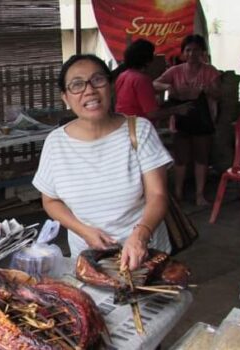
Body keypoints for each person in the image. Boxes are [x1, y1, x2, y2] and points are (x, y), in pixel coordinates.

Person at [32, 54, 173, 271]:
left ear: (111, 86)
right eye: (77, 85)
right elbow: (50, 201)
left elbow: (158, 194)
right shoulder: (56, 143)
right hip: (90, 260)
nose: (89, 90)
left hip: (145, 255)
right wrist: (83, 231)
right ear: (66, 98)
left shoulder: (140, 130)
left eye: (97, 80)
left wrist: (141, 235)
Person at [154, 34, 221, 206]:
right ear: (183, 53)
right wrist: (168, 86)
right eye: (188, 50)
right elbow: (154, 84)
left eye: (196, 50)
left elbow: (219, 95)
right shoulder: (175, 71)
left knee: (201, 158)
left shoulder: (210, 71)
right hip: (181, 120)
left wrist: (207, 89)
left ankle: (199, 195)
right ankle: (178, 193)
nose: (192, 54)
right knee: (181, 158)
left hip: (203, 120)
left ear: (202, 52)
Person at [114, 39, 191, 123]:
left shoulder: (123, 76)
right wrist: (177, 110)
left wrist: (166, 87)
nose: (155, 57)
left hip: (123, 124)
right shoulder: (141, 79)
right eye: (153, 54)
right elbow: (152, 114)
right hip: (138, 127)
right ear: (147, 59)